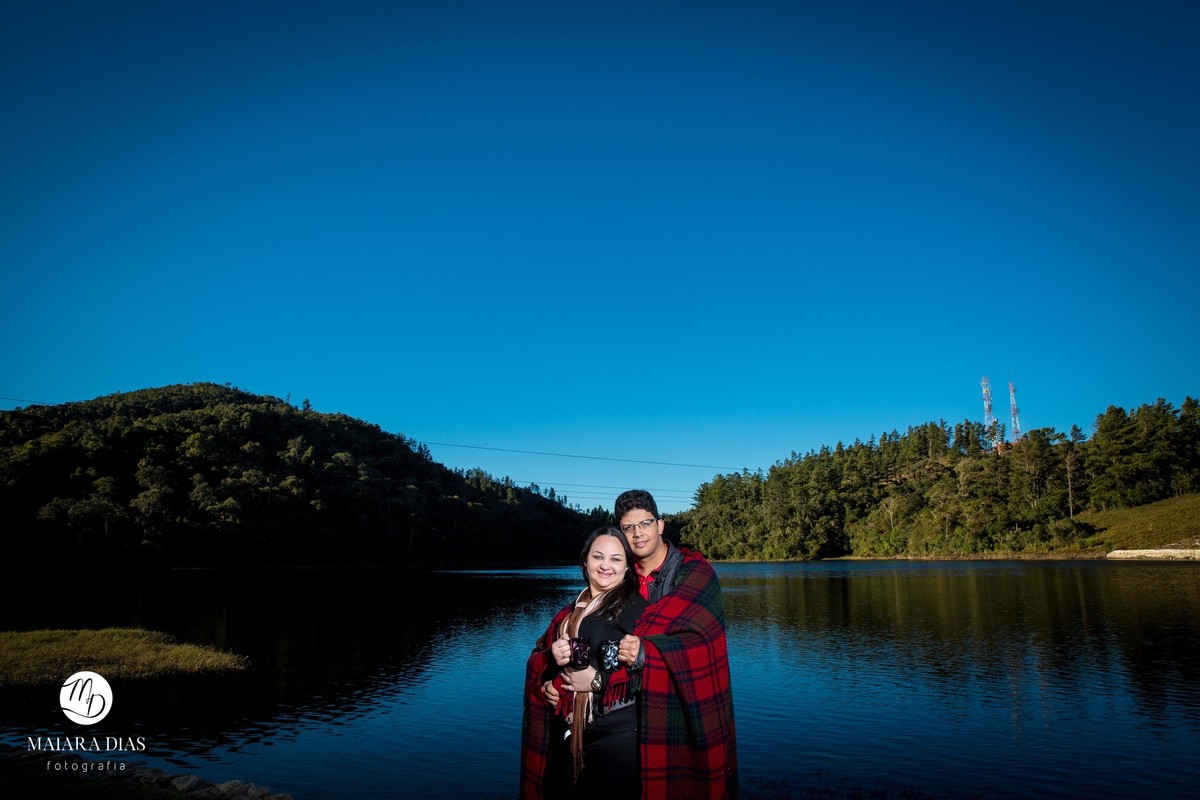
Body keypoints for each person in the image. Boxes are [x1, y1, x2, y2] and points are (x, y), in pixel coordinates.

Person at [532, 489, 739, 800]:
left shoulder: (691, 575)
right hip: (603, 723)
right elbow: (580, 644)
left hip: (669, 708)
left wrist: (646, 654)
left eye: (645, 523)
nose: (638, 533)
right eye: (628, 527)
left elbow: (700, 645)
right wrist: (554, 679)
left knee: (678, 784)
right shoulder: (611, 585)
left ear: (660, 525)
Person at [520, 526, 648, 799]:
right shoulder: (572, 611)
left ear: (627, 567)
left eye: (616, 559)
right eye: (597, 557)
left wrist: (599, 681)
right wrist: (549, 680)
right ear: (585, 561)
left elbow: (650, 671)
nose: (605, 566)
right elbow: (552, 659)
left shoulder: (635, 609)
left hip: (617, 732)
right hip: (570, 726)